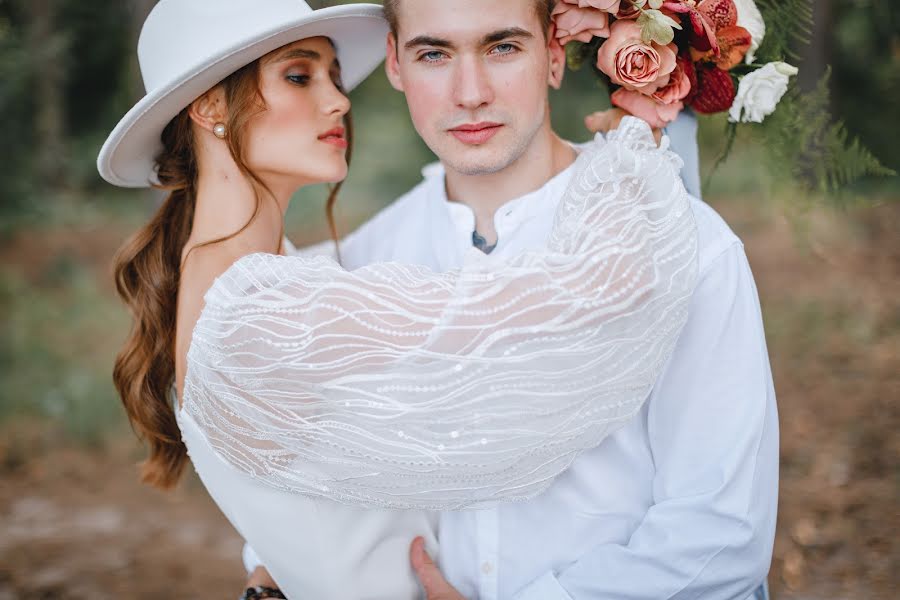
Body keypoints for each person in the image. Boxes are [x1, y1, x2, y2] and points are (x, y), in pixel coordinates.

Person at [100, 0, 699, 598]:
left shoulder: (259, 273)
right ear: (208, 106)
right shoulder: (255, 309)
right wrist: (634, 154)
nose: (339, 101)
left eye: (333, 78)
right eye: (299, 76)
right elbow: (579, 292)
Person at [240, 0, 778, 598]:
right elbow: (323, 500)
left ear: (553, 53)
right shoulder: (363, 265)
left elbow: (723, 536)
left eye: (502, 47)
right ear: (395, 64)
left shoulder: (685, 245)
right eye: (434, 54)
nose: (470, 93)